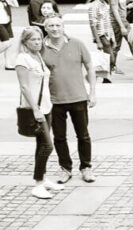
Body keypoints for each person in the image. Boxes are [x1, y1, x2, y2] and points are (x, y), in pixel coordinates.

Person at [41, 15, 98, 184]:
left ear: (63, 26)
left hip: (78, 97)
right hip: (54, 100)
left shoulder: (77, 44)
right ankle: (65, 168)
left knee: (83, 135)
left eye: (58, 25)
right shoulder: (41, 48)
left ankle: (86, 167)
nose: (55, 29)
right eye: (51, 26)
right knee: (59, 137)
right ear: (46, 28)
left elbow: (90, 67)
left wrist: (92, 92)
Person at [16, 27, 61, 200]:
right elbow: (24, 86)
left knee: (41, 144)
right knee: (47, 146)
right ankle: (38, 184)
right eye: (33, 39)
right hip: (35, 108)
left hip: (46, 106)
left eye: (39, 39)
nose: (37, 42)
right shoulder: (23, 58)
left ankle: (42, 178)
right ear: (25, 41)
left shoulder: (38, 56)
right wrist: (35, 109)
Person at [1, 0, 15, 70]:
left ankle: (8, 64)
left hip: (7, 21)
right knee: (7, 43)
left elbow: (15, 4)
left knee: (10, 43)